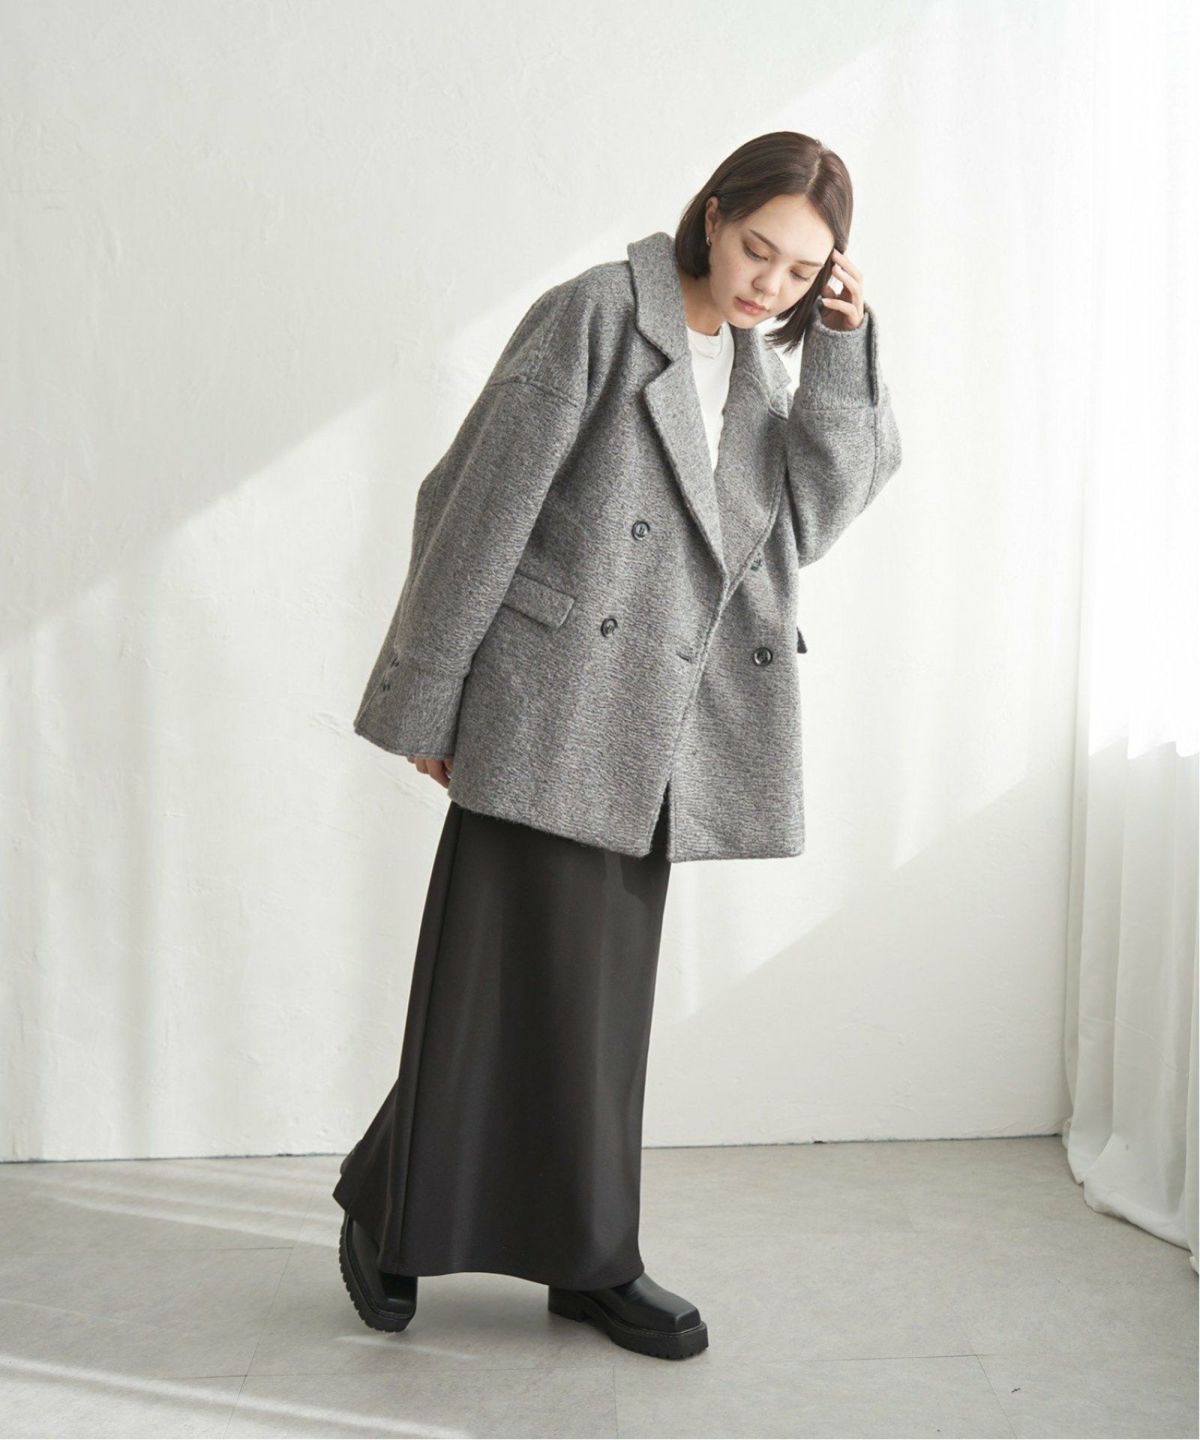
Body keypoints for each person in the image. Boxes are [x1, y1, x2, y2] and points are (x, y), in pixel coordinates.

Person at [332, 130, 903, 1362]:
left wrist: (842, 354)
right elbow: (474, 501)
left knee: (592, 1010)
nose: (768, 284)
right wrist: (435, 698)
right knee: (492, 983)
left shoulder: (763, 372)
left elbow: (815, 515)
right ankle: (418, 1223)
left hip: (661, 730)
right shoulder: (598, 313)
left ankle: (565, 1251)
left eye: (802, 272)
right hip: (548, 702)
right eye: (758, 249)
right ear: (714, 213)